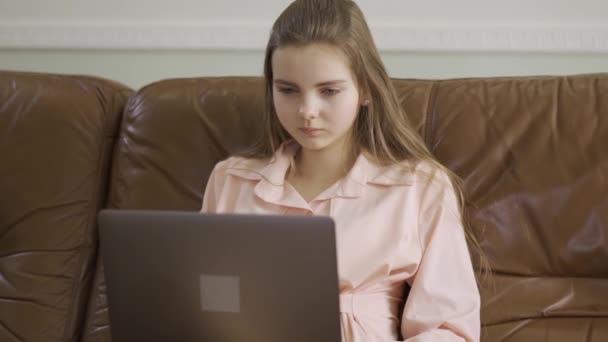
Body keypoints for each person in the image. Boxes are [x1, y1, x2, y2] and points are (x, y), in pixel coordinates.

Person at [201, 0, 481, 340]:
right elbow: (208, 308)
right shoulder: (231, 180)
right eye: (287, 90)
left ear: (364, 88)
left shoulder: (418, 187)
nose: (307, 111)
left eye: (329, 91)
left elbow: (450, 328)